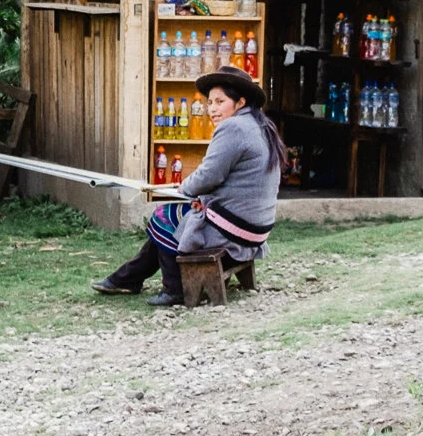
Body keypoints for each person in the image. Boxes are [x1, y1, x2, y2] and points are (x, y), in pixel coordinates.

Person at [91, 65, 284, 306]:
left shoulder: (233, 127)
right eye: (210, 102)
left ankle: (174, 290)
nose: (212, 109)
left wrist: (185, 189)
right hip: (255, 225)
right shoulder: (261, 126)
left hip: (234, 226)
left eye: (220, 101)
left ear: (240, 102)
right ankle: (126, 279)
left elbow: (208, 176)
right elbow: (233, 179)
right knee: (175, 216)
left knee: (163, 215)